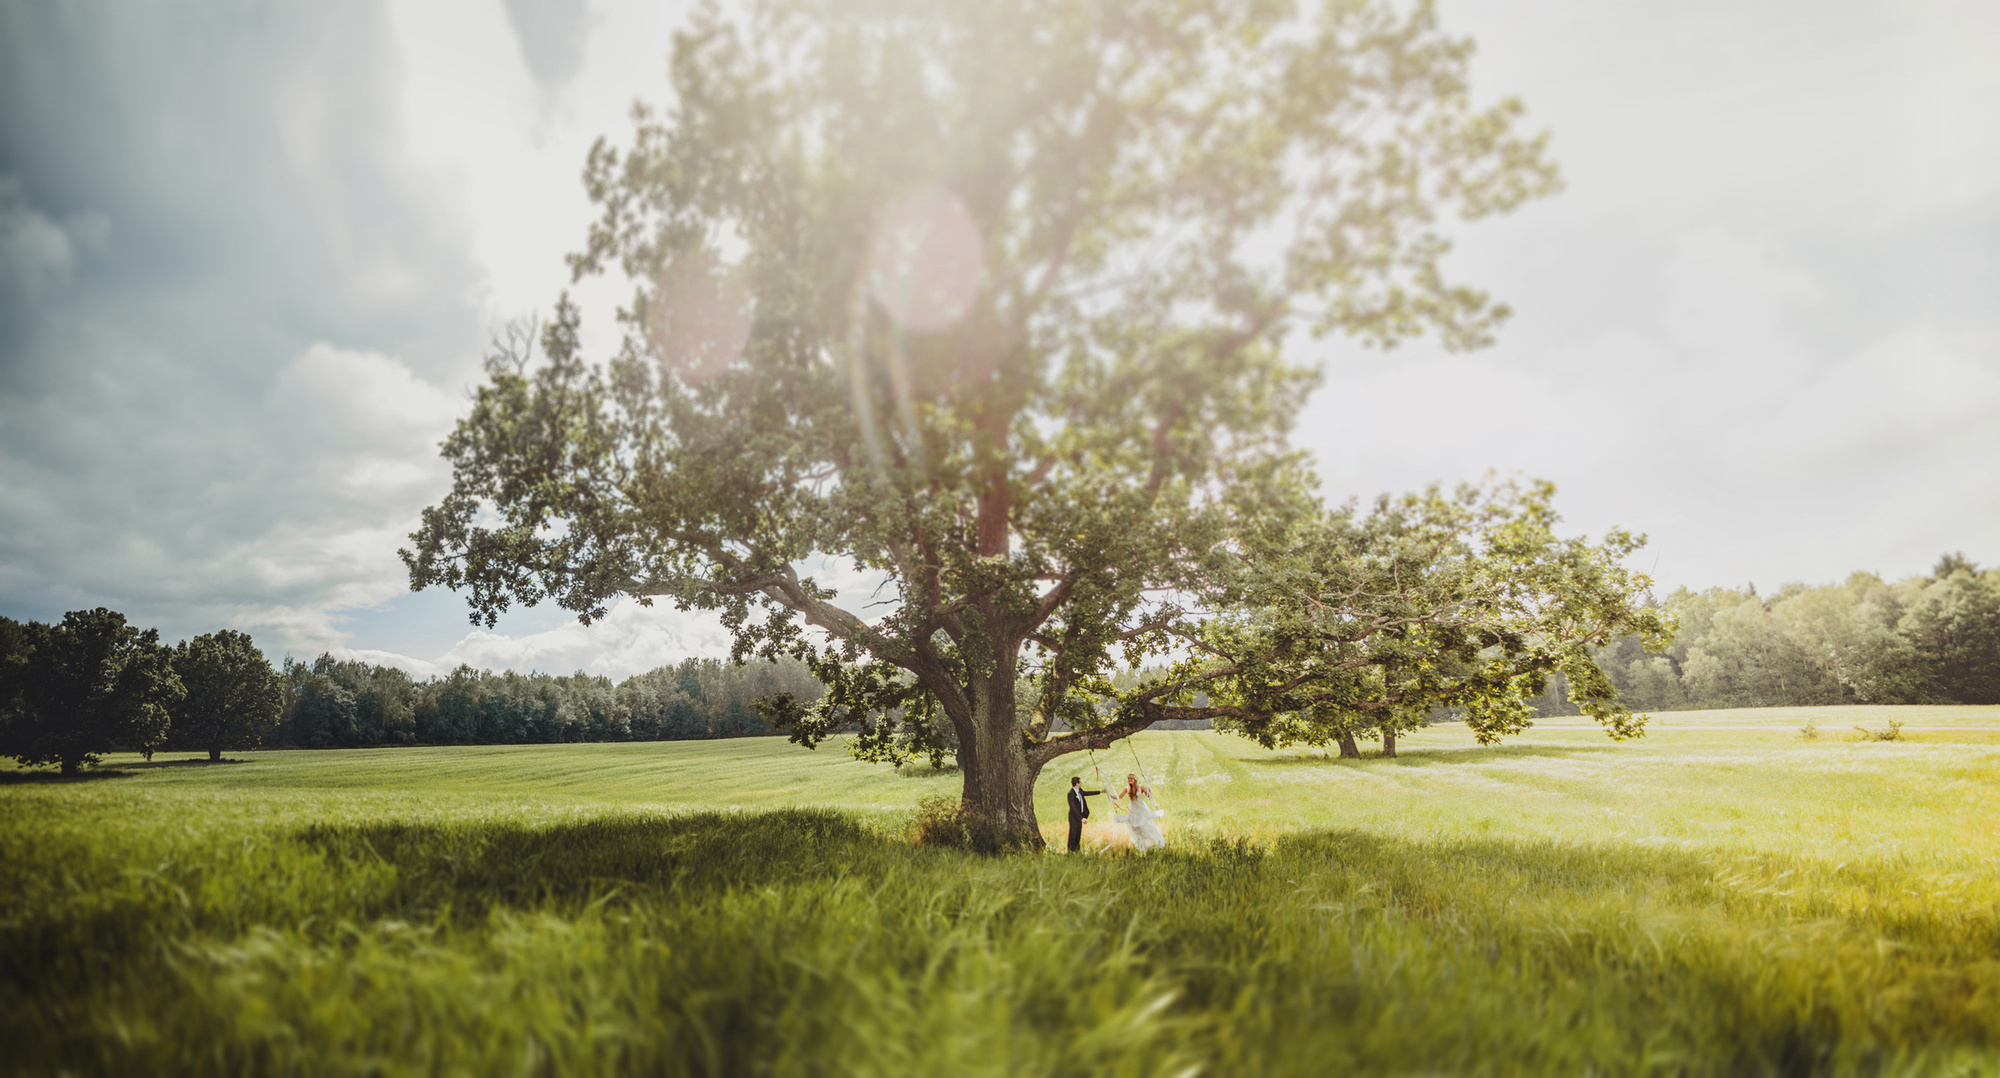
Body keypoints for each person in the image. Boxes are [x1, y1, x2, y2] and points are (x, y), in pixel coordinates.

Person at [1118, 773, 1165, 852]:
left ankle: (1158, 840)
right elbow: (1119, 797)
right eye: (1128, 778)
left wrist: (1149, 791)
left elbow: (1149, 796)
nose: (1129, 780)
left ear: (1135, 780)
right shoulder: (1127, 789)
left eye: (1131, 778)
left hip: (1142, 809)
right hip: (1133, 810)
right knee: (1135, 827)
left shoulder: (1141, 787)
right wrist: (1109, 795)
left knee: (1144, 825)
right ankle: (1143, 844)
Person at [1066, 776, 1102, 853]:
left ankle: (1077, 850)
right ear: (1077, 783)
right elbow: (1073, 808)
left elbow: (1087, 793)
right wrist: (1081, 818)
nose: (1081, 783)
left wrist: (1100, 791)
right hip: (1074, 817)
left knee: (1078, 834)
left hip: (1080, 816)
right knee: (1073, 834)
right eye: (1080, 782)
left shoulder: (1080, 791)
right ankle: (1070, 852)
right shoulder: (1071, 794)